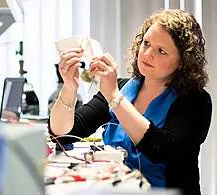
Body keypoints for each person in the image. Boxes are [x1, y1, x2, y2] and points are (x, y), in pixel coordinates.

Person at [48, 9, 212, 195]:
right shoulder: (122, 87)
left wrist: (114, 97)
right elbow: (64, 135)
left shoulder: (196, 102)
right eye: (146, 43)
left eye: (161, 51)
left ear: (183, 61)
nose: (148, 53)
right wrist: (70, 87)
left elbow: (160, 149)